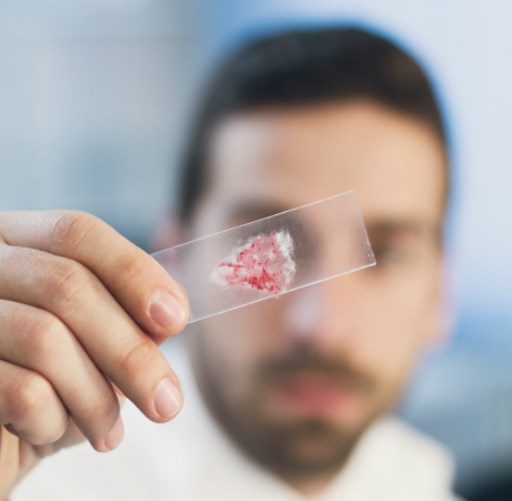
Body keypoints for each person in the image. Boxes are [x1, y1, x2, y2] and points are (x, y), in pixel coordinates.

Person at [1, 26, 461, 500]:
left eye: (387, 255)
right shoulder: (34, 477)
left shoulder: (424, 486)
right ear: (175, 256)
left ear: (440, 293)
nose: (323, 328)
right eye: (267, 247)